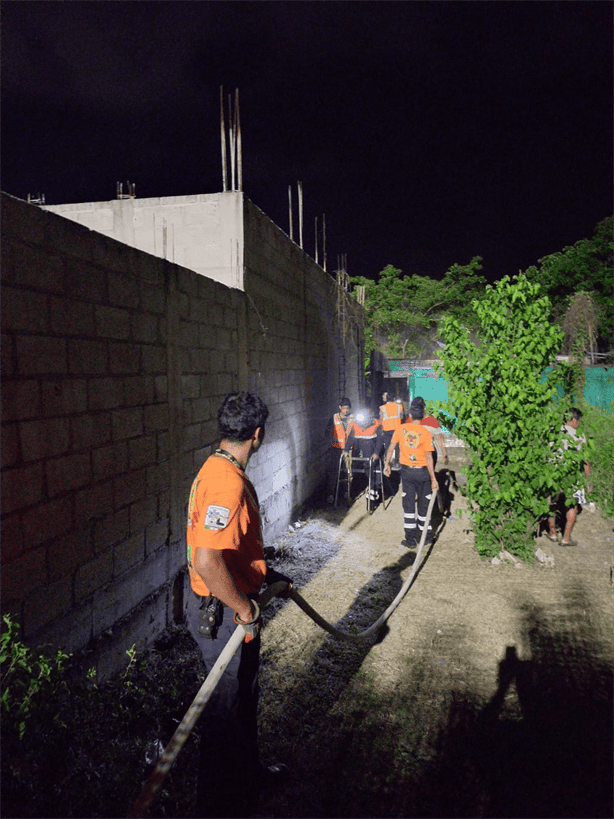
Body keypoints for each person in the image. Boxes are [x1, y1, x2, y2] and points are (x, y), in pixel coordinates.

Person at [186, 391, 292, 817]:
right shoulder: (227, 482)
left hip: (230, 603)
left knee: (242, 700)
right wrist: (245, 610)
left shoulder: (215, 467)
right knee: (222, 717)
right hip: (225, 615)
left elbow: (227, 551)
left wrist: (264, 578)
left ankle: (249, 778)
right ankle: (215, 805)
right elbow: (207, 560)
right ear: (258, 435)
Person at [384, 396, 438, 548]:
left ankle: (410, 539)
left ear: (410, 416)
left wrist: (386, 464)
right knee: (424, 504)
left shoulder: (401, 429)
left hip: (407, 472)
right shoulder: (426, 433)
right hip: (423, 474)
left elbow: (391, 447)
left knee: (408, 506)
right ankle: (425, 537)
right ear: (423, 417)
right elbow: (429, 457)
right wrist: (433, 478)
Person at [546, 408, 593, 547]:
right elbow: (585, 461)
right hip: (572, 474)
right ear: (573, 420)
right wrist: (589, 481)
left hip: (554, 472)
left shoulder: (554, 430)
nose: (579, 423)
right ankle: (566, 539)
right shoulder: (579, 435)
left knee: (552, 503)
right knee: (572, 505)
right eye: (578, 421)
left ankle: (553, 534)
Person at [345, 407, 383, 505]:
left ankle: (373, 494)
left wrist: (376, 453)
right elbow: (351, 438)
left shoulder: (377, 424)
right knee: (356, 470)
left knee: (374, 472)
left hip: (372, 452)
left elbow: (379, 441)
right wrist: (346, 450)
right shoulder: (355, 425)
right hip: (359, 451)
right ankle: (354, 492)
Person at [325, 397, 354, 502]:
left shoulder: (352, 418)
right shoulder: (334, 418)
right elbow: (327, 432)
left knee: (348, 472)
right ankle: (331, 494)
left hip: (349, 450)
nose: (346, 410)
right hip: (336, 449)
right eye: (344, 408)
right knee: (334, 472)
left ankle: (347, 492)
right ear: (340, 407)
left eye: (347, 408)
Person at [379, 391, 403, 463]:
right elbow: (401, 417)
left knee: (388, 446)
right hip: (397, 429)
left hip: (386, 430)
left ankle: (387, 462)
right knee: (397, 446)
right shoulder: (399, 406)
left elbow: (381, 419)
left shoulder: (383, 408)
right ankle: (397, 462)